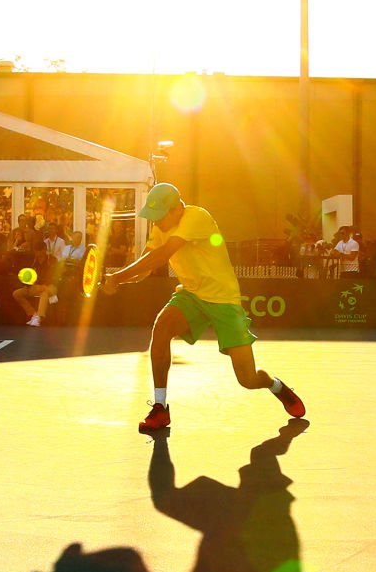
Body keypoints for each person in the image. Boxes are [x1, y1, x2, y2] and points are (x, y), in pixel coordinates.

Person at [102, 183, 306, 434]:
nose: (157, 223)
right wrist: (116, 279)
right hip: (192, 295)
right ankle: (160, 407)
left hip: (224, 301)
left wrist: (117, 277)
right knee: (161, 328)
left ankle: (277, 387)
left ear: (177, 209)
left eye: (160, 216)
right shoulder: (160, 227)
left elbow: (164, 254)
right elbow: (146, 266)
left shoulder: (196, 216)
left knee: (248, 379)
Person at [11, 241, 56, 326]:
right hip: (36, 287)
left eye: (39, 250)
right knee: (17, 293)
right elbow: (29, 275)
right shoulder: (33, 261)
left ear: (44, 250)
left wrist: (45, 285)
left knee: (44, 292)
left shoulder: (52, 260)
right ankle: (33, 314)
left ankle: (39, 317)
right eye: (36, 251)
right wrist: (27, 286)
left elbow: (55, 275)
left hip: (51, 286)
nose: (37, 253)